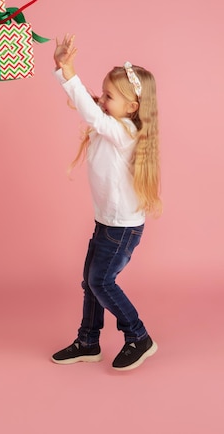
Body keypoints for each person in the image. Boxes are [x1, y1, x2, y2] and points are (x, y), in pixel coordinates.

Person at [51, 34, 161, 371]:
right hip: (108, 223)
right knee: (91, 281)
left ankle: (138, 335)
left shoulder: (124, 130)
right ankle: (88, 341)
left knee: (101, 282)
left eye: (109, 96)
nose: (102, 99)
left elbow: (92, 114)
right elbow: (92, 113)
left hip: (122, 227)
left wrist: (67, 72)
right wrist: (64, 71)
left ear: (132, 107)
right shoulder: (110, 126)